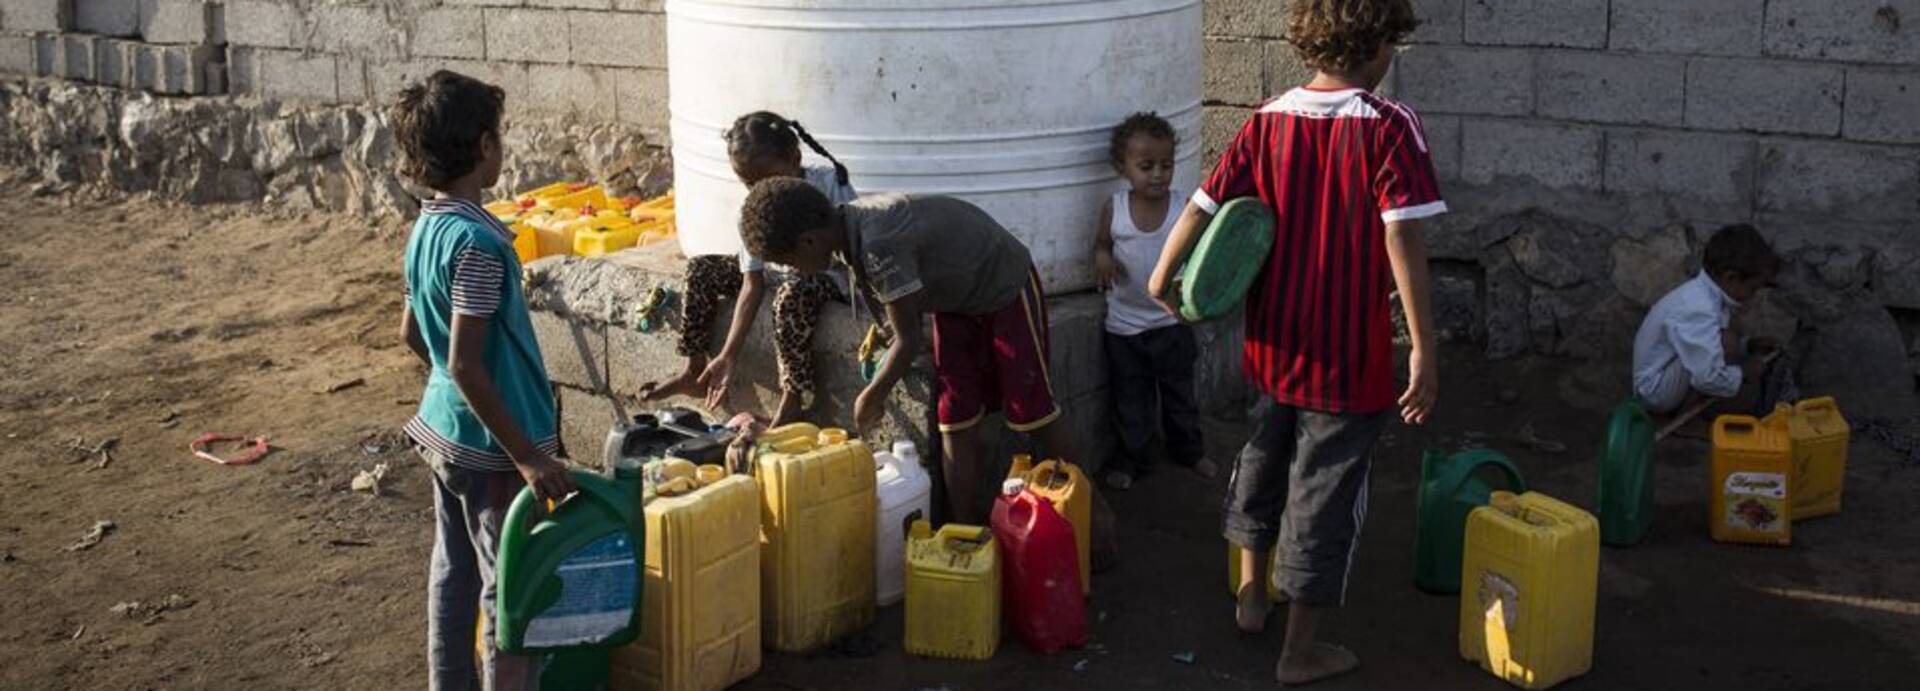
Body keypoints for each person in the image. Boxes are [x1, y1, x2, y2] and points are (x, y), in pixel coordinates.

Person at [1144, 0, 1440, 684]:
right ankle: (1300, 651)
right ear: (1375, 47)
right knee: (1326, 495)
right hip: (1346, 358)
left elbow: (1205, 202)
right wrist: (1423, 346)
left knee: (1262, 458)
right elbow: (1402, 235)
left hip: (1273, 344)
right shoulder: (1390, 126)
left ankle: (1252, 596)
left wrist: (1164, 273)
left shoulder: (1268, 116)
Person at [737, 178, 1084, 525]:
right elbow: (897, 309)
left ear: (808, 241)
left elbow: (909, 341)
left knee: (1032, 410)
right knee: (955, 418)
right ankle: (964, 529)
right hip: (953, 303)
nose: (794, 271)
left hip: (1002, 285)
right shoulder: (846, 230)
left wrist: (871, 397)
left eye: (789, 262)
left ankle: (1092, 516)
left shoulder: (878, 242)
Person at [392, 70, 577, 691]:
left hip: (443, 431)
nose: (501, 146)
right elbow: (468, 362)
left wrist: (450, 386)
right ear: (481, 146)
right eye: (497, 135)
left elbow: (414, 336)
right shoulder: (478, 245)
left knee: (454, 572)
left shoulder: (427, 229)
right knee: (511, 587)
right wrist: (525, 456)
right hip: (493, 451)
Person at [641, 113, 856, 426]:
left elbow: (851, 245)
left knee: (791, 295)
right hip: (776, 275)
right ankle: (694, 369)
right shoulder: (753, 208)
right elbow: (751, 284)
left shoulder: (829, 185)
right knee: (702, 269)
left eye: (768, 179)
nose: (759, 190)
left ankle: (792, 400)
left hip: (824, 274)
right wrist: (728, 354)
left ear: (795, 158)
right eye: (749, 183)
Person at [1093, 112, 1212, 491]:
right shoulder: (1116, 208)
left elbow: (1199, 254)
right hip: (1124, 328)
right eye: (1146, 166)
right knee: (1131, 400)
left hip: (1172, 323)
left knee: (1180, 395)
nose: (1158, 174)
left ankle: (1189, 450)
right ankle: (1134, 459)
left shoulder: (1183, 208)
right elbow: (1101, 244)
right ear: (1122, 167)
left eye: (1166, 165)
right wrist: (1103, 260)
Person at [1631, 223, 1781, 415]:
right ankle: (1683, 419)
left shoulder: (1706, 295)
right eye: (1752, 288)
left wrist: (1749, 347)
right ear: (1731, 278)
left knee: (1727, 340)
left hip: (1663, 379)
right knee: (1726, 341)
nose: (1752, 296)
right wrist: (1744, 371)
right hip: (1655, 391)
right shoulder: (1699, 308)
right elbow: (1707, 377)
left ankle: (1686, 414)